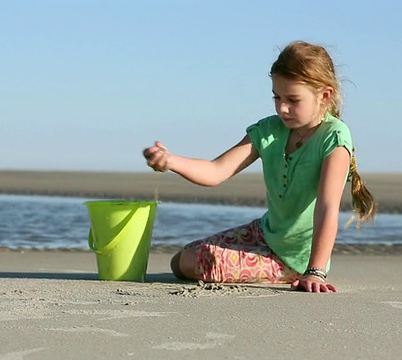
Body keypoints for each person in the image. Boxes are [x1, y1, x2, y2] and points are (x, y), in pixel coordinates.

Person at [143, 40, 375, 293]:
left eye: (293, 99)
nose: (282, 108)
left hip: (296, 258)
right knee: (180, 260)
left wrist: (315, 272)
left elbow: (327, 208)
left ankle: (292, 271)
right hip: (264, 234)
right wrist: (171, 161)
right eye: (277, 97)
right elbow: (216, 170)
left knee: (196, 261)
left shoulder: (334, 137)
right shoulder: (269, 129)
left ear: (324, 95)